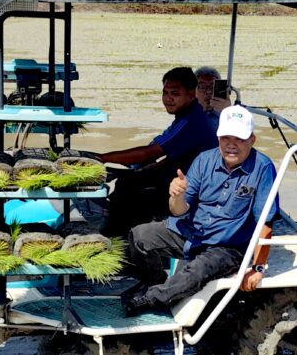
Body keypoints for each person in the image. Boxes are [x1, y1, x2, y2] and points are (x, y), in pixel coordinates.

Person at [122, 105, 278, 316]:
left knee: (197, 270)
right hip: (191, 232)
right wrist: (176, 196)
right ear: (218, 137)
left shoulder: (263, 167)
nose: (231, 145)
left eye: (239, 139)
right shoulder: (204, 160)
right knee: (139, 236)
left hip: (227, 246)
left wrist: (258, 268)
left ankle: (151, 299)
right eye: (226, 138)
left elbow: (265, 224)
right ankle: (153, 281)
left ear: (252, 139)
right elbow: (179, 211)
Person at [93, 67, 218, 236]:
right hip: (177, 177)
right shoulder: (187, 115)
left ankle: (120, 242)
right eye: (165, 92)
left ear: (191, 93)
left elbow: (150, 152)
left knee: (129, 192)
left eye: (175, 93)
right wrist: (140, 167)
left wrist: (102, 157)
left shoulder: (191, 122)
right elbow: (168, 151)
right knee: (127, 180)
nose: (168, 98)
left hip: (189, 191)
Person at [194, 66, 231, 132]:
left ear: (220, 89)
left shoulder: (230, 115)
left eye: (213, 87)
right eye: (202, 87)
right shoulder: (186, 116)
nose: (208, 92)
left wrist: (228, 112)